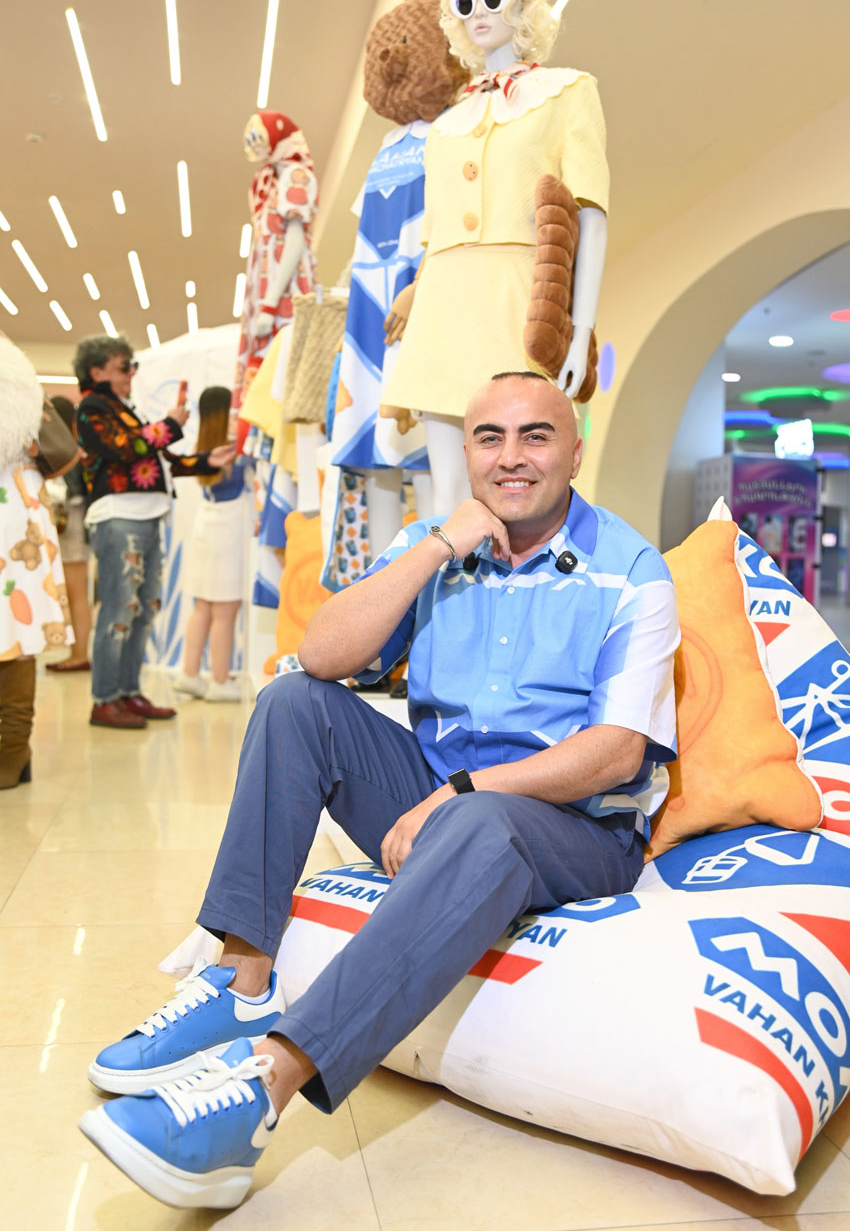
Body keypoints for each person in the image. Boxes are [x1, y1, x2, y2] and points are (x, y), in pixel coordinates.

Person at [79, 372, 679, 1209]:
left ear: (574, 451)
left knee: (483, 820)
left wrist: (462, 791)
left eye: (535, 436)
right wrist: (433, 548)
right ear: (467, 452)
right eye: (490, 438)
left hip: (574, 829)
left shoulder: (633, 571)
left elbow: (616, 752)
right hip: (439, 794)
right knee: (293, 703)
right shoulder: (438, 542)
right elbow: (322, 655)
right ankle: (242, 982)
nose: (511, 457)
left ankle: (263, 1087)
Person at [382, 0, 609, 513]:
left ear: (522, 1)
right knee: (446, 492)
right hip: (442, 310)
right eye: (465, 1)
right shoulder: (444, 126)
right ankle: (449, 574)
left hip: (517, 305)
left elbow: (590, 215)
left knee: (518, 483)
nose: (478, 12)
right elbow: (435, 232)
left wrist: (579, 331)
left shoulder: (567, 92)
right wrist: (415, 291)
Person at [74, 335, 235, 729]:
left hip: (144, 517)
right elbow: (125, 448)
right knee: (119, 610)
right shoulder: (93, 407)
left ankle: (128, 691)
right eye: (123, 367)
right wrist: (170, 424)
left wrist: (205, 460)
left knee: (143, 610)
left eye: (132, 366)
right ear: (97, 371)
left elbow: (158, 460)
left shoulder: (123, 408)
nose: (131, 373)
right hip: (118, 517)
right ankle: (105, 698)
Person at [0, 336, 73, 788]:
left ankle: (11, 751)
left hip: (11, 513)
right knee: (14, 631)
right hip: (20, 503)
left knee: (12, 631)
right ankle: (13, 752)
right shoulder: (15, 365)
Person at [173, 386, 250, 702]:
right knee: (225, 610)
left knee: (203, 606)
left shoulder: (203, 444)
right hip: (228, 529)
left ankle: (190, 674)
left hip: (207, 525)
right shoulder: (230, 445)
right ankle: (219, 681)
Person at [44, 393, 93, 673]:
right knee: (76, 592)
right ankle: (76, 652)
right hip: (74, 527)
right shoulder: (75, 449)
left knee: (76, 592)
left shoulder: (66, 452)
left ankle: (79, 654)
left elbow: (70, 495)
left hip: (70, 528)